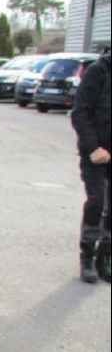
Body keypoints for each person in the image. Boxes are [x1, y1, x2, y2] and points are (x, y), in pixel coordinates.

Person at [71, 49, 111, 283]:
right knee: (97, 201)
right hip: (95, 152)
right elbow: (79, 113)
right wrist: (93, 147)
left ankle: (105, 256)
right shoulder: (99, 71)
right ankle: (87, 256)